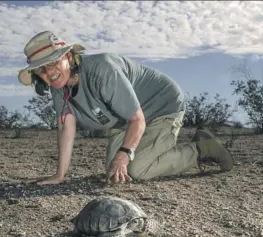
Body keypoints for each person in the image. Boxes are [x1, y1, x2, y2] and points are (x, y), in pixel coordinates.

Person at [18, 31, 234, 185]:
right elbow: (66, 127)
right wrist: (60, 175)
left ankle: (202, 149)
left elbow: (137, 119)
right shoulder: (58, 86)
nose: (49, 72)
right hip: (124, 121)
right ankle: (147, 151)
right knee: (115, 174)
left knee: (136, 169)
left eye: (53, 63)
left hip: (160, 106)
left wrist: (124, 154)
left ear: (67, 57)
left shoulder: (103, 70)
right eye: (41, 70)